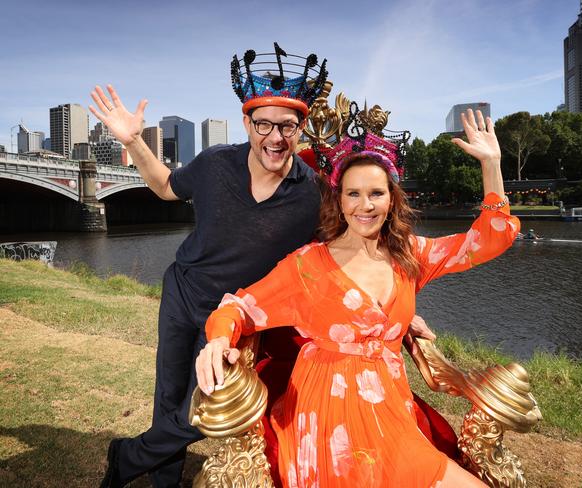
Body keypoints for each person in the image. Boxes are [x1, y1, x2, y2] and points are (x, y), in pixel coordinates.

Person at [195, 108, 520, 487]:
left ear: (392, 199)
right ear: (339, 200)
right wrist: (218, 341)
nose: (365, 206)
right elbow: (238, 307)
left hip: (391, 407)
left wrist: (492, 164)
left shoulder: (410, 256)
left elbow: (490, 239)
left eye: (376, 193)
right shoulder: (308, 266)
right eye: (353, 194)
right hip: (326, 412)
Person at [91, 44, 329, 487]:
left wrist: (401, 308)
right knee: (169, 397)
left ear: (301, 128)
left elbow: (345, 255)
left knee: (204, 408)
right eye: (264, 124)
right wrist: (132, 141)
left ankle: (125, 456)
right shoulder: (216, 162)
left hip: (237, 316)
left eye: (287, 126)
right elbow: (165, 187)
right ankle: (163, 481)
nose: (275, 137)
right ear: (246, 123)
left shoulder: (313, 194)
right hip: (183, 293)